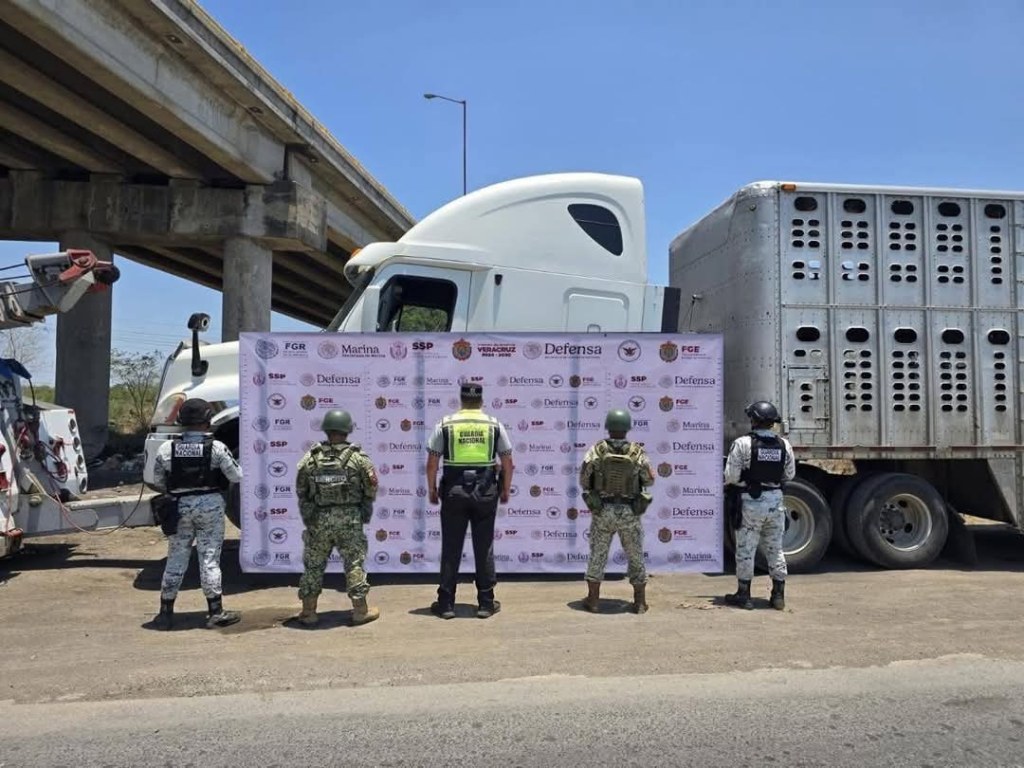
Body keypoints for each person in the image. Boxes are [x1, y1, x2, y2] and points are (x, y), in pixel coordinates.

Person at [150, 397, 242, 630]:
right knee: (209, 558)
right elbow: (236, 477)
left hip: (178, 506)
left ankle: (165, 613)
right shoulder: (217, 448)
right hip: (209, 505)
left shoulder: (166, 449)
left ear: (181, 420)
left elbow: (159, 481)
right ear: (207, 420)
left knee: (176, 557)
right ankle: (215, 611)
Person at [425, 382, 513, 619]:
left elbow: (433, 461)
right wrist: (505, 488)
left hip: (454, 491)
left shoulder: (446, 423)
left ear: (461, 400)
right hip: (485, 492)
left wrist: (432, 489)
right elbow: (507, 460)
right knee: (484, 546)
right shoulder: (494, 424)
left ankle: (446, 604)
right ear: (481, 401)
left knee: (451, 547)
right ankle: (486, 602)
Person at [294, 409, 380, 627]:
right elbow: (371, 489)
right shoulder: (359, 459)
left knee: (313, 565)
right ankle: (360, 611)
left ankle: (308, 612)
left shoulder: (311, 458)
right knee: (354, 563)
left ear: (326, 429)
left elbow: (302, 490)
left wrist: (311, 514)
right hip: (349, 519)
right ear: (347, 430)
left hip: (320, 519)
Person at [579, 408, 655, 614]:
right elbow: (649, 479)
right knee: (635, 554)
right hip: (629, 511)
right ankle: (639, 602)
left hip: (603, 510)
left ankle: (593, 600)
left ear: (608, 427)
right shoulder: (637, 452)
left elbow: (584, 479)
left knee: (597, 554)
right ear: (627, 428)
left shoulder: (596, 450)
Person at [723, 400, 796, 610]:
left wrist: (744, 480)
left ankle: (744, 596)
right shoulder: (784, 444)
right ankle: (778, 595)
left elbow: (731, 477)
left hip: (751, 503)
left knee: (746, 549)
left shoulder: (743, 443)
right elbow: (789, 474)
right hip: (775, 501)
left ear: (754, 420)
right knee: (776, 549)